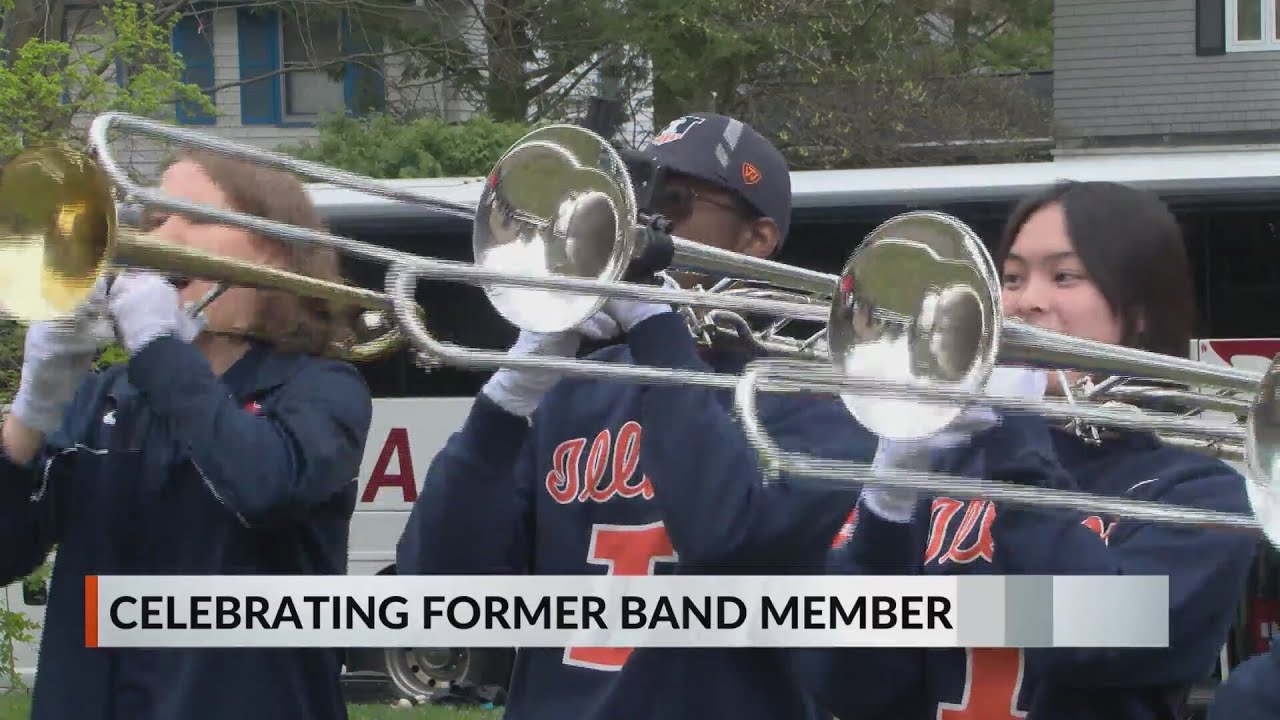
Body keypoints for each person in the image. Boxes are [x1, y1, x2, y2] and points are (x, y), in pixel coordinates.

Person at [397, 113, 877, 719]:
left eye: (671, 200)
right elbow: (439, 589)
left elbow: (726, 542)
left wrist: (657, 330)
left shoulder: (821, 405)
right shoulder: (577, 391)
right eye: (632, 194)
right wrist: (508, 398)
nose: (638, 219)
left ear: (757, 239)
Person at [798, 180, 1260, 720]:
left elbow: (1094, 641)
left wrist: (1018, 426)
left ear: (1137, 312)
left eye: (1065, 276)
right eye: (1011, 278)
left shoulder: (1201, 492)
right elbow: (849, 687)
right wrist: (889, 504)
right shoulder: (953, 469)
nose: (1024, 302)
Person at [0, 151, 374, 720]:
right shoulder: (107, 395)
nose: (155, 236)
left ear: (272, 250)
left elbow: (267, 487)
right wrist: (32, 409)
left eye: (192, 216)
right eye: (154, 220)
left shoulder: (321, 388)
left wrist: (158, 349)